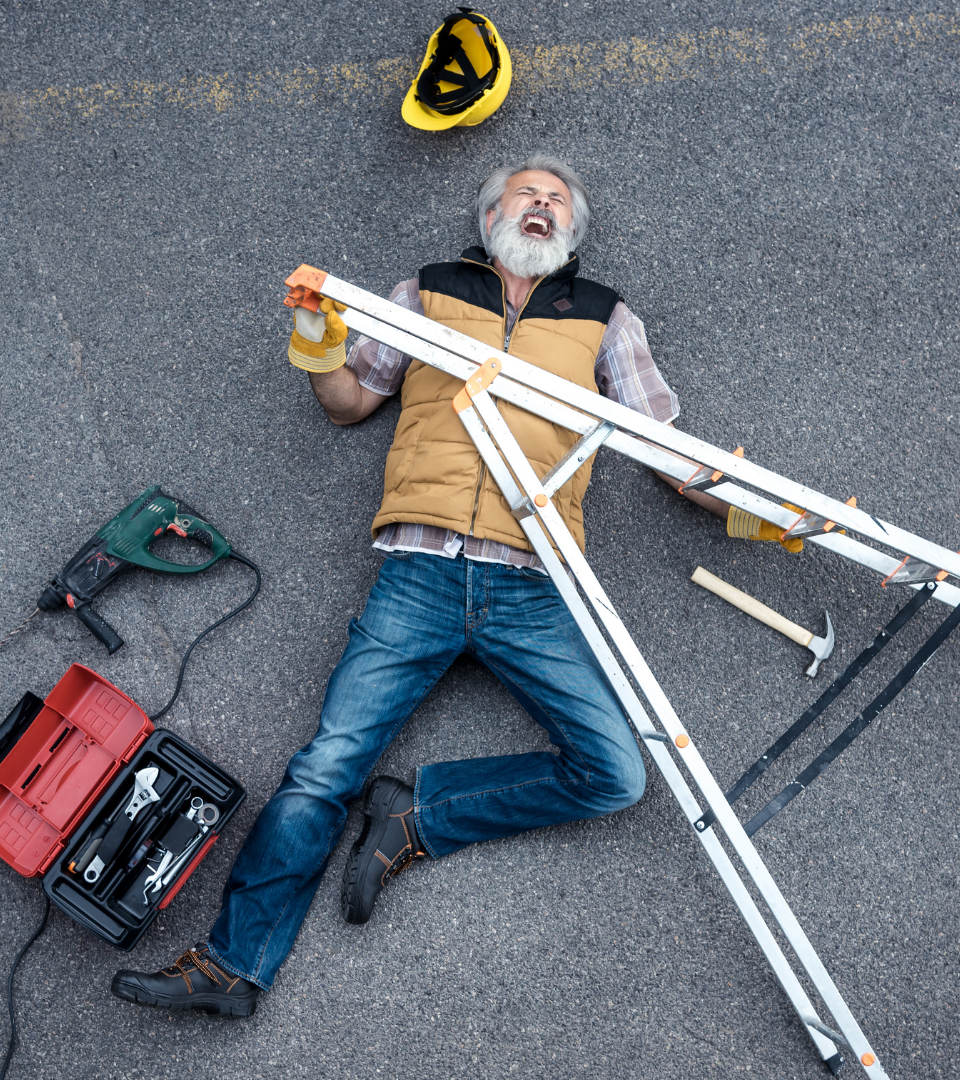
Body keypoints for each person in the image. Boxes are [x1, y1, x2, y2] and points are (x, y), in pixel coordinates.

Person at [110, 153, 743, 1016]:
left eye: (559, 202)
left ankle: (418, 819)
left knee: (616, 773)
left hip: (535, 580)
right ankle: (229, 968)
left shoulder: (606, 319)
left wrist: (753, 513)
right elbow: (346, 403)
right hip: (420, 569)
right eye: (527, 194)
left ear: (571, 235)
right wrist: (317, 337)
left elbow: (671, 453)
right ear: (491, 219)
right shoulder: (427, 293)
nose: (543, 205)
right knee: (325, 769)